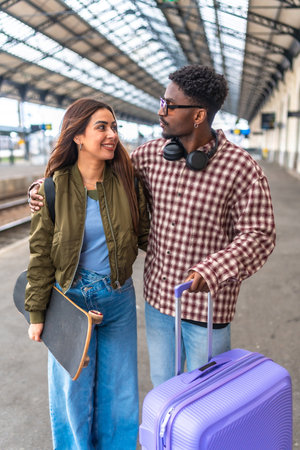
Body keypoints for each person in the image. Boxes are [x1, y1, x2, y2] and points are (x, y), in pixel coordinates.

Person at [29, 65, 276, 389]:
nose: (161, 111)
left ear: (199, 115)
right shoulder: (145, 158)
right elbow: (88, 173)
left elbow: (260, 235)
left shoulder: (241, 167)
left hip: (209, 307)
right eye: (162, 101)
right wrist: (41, 190)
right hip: (159, 303)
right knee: (164, 386)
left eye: (170, 105)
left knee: (208, 394)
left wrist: (211, 270)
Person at [25, 98, 149, 449]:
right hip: (71, 302)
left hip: (118, 298)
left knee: (120, 391)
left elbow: (146, 236)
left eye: (114, 128)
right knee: (72, 392)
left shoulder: (127, 182)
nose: (112, 135)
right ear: (77, 136)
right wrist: (37, 314)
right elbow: (40, 256)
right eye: (102, 127)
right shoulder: (53, 188)